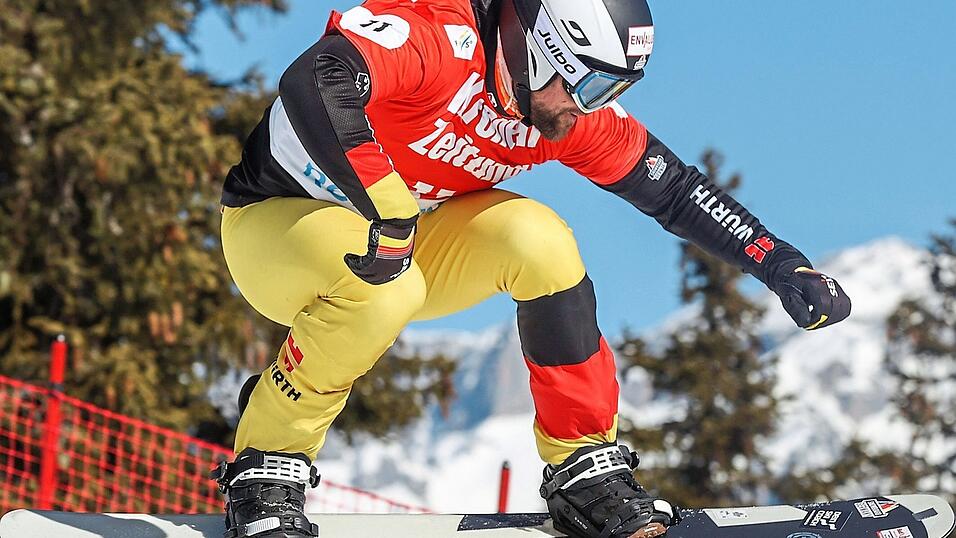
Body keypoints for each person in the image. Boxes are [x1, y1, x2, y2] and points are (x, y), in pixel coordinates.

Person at [210, 0, 852, 536]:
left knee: (541, 241)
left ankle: (584, 469)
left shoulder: (564, 112)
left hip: (400, 242)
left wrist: (780, 264)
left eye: (617, 91)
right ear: (544, 51)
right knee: (385, 289)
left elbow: (677, 193)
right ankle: (267, 464)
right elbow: (316, 77)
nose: (592, 109)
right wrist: (388, 201)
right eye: (595, 86)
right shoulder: (441, 35)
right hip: (277, 224)